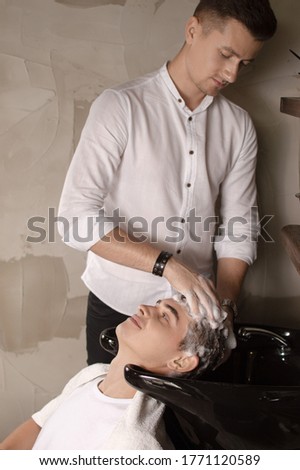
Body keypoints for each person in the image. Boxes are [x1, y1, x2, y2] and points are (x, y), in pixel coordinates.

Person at [57, 0, 277, 364]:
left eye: (245, 63)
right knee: (111, 418)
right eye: (226, 55)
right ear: (192, 31)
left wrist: (222, 306)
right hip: (120, 309)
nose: (233, 74)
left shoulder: (238, 126)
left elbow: (240, 227)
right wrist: (169, 267)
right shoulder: (120, 106)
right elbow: (74, 218)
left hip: (194, 320)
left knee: (184, 422)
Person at [0, 294, 228, 450]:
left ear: (180, 361)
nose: (144, 308)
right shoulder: (92, 375)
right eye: (156, 305)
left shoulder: (134, 443)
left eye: (165, 316)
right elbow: (34, 429)